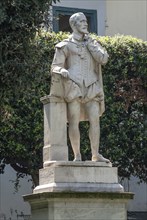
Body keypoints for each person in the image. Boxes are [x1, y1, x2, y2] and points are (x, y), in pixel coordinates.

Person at [50, 12, 110, 163]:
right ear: (74, 25)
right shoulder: (65, 44)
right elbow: (55, 66)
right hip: (73, 85)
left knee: (95, 120)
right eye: (82, 21)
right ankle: (77, 155)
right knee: (74, 121)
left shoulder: (92, 43)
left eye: (86, 21)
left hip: (91, 85)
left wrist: (90, 44)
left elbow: (103, 59)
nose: (85, 24)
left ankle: (95, 154)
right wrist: (62, 70)